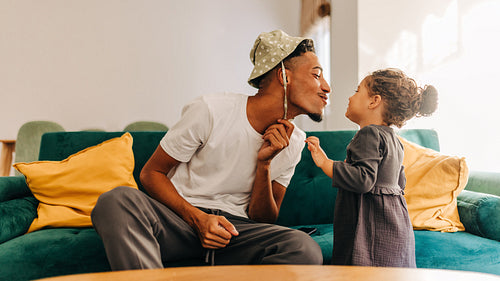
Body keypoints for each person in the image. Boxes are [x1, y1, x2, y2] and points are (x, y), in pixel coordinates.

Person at [91, 30, 331, 270]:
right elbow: (151, 174)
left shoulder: (295, 141)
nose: (327, 87)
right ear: (284, 77)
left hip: (236, 234)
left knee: (303, 247)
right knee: (116, 200)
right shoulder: (211, 110)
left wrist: (264, 165)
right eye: (317, 75)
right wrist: (198, 219)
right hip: (179, 221)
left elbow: (264, 219)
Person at [305, 68, 438, 267]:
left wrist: (324, 162)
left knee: (363, 272)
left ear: (374, 101)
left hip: (371, 226)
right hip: (395, 223)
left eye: (357, 91)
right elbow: (399, 181)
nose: (350, 97)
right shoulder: (395, 140)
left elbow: (362, 180)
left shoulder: (369, 134)